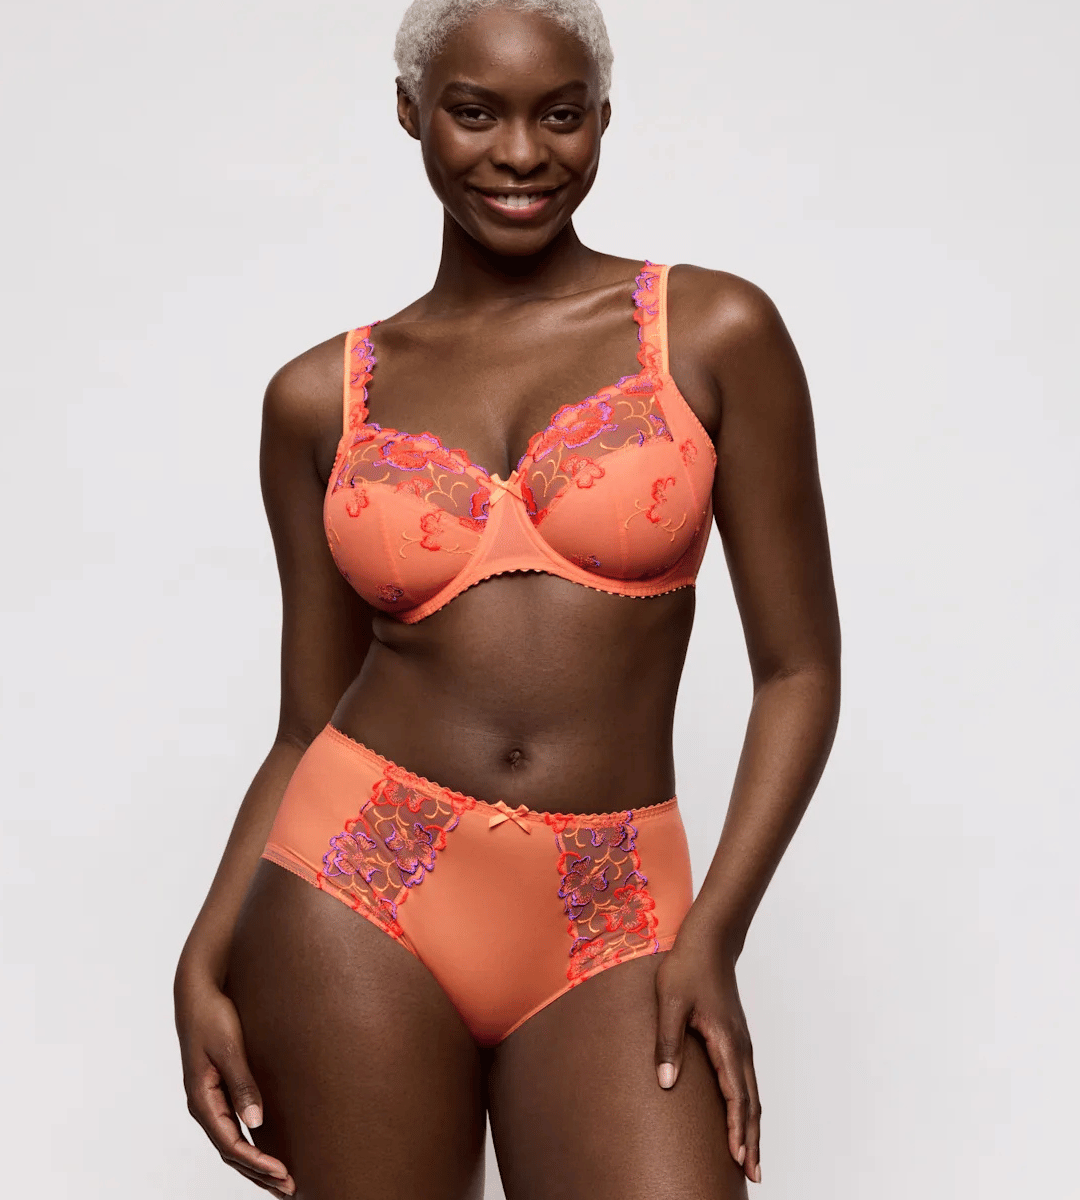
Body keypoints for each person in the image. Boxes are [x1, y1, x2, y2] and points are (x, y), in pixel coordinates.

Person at [173, 1, 841, 1196]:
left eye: (561, 115)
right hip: (356, 887)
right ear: (411, 113)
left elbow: (799, 672)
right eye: (475, 113)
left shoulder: (712, 332)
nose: (522, 154)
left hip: (615, 904)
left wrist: (716, 931)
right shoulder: (317, 399)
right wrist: (202, 956)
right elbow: (304, 724)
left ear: (604, 119)